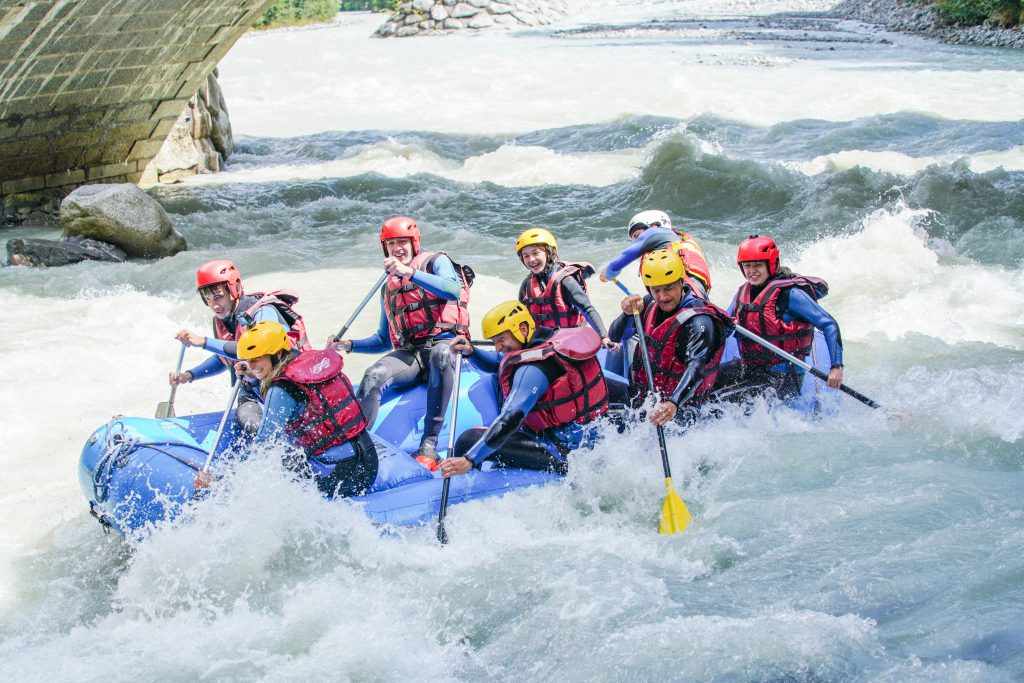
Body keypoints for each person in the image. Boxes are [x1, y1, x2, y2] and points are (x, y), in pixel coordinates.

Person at [331, 216, 472, 469]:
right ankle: (355, 448)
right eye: (391, 243)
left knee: (440, 354)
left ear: (414, 243)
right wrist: (348, 345)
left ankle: (429, 445)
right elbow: (383, 340)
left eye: (402, 242)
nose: (397, 248)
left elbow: (452, 289)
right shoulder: (389, 286)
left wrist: (411, 273)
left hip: (447, 346)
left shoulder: (434, 262)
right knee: (374, 374)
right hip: (412, 356)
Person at [200, 321, 378, 498]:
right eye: (248, 359)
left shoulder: (282, 388)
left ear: (277, 354)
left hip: (343, 477)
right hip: (369, 461)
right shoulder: (307, 362)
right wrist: (254, 375)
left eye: (257, 358)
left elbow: (263, 446)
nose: (251, 365)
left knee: (280, 455)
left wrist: (221, 482)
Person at [438, 301, 609, 479]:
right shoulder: (552, 341)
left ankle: (468, 484)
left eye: (501, 339)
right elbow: (500, 362)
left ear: (523, 329)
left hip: (563, 453)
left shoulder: (533, 369)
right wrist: (471, 352)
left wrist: (469, 459)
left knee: (468, 440)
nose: (498, 347)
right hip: (585, 442)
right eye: (494, 341)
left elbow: (510, 418)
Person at [170, 259, 310, 432]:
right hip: (254, 390)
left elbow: (256, 348)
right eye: (208, 299)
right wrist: (190, 376)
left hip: (288, 388)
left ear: (234, 289)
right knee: (246, 417)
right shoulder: (223, 320)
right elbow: (224, 358)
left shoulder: (263, 312)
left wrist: (204, 342)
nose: (214, 305)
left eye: (218, 296)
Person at [608, 249, 732, 426]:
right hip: (643, 400)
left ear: (681, 282)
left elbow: (697, 367)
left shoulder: (699, 322)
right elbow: (615, 337)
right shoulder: (648, 304)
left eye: (668, 288)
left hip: (681, 410)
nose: (663, 297)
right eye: (656, 290)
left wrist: (673, 404)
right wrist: (626, 314)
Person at [723, 235, 843, 399]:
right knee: (704, 385)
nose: (752, 271)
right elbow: (723, 325)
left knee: (720, 402)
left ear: (771, 264)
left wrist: (836, 367)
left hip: (783, 376)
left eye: (758, 265)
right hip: (751, 369)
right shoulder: (743, 291)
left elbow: (829, 324)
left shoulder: (790, 294)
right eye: (747, 266)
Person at [514, 226, 616, 349]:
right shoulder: (527, 284)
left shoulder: (565, 281)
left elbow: (587, 309)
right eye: (525, 256)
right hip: (543, 344)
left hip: (573, 343)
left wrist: (604, 337)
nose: (531, 259)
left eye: (536, 253)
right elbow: (521, 319)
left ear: (549, 253)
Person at [598, 209, 713, 299]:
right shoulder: (678, 239)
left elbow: (619, 263)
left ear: (653, 225)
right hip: (697, 292)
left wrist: (607, 273)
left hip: (683, 291)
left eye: (638, 235)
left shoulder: (654, 232)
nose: (638, 241)